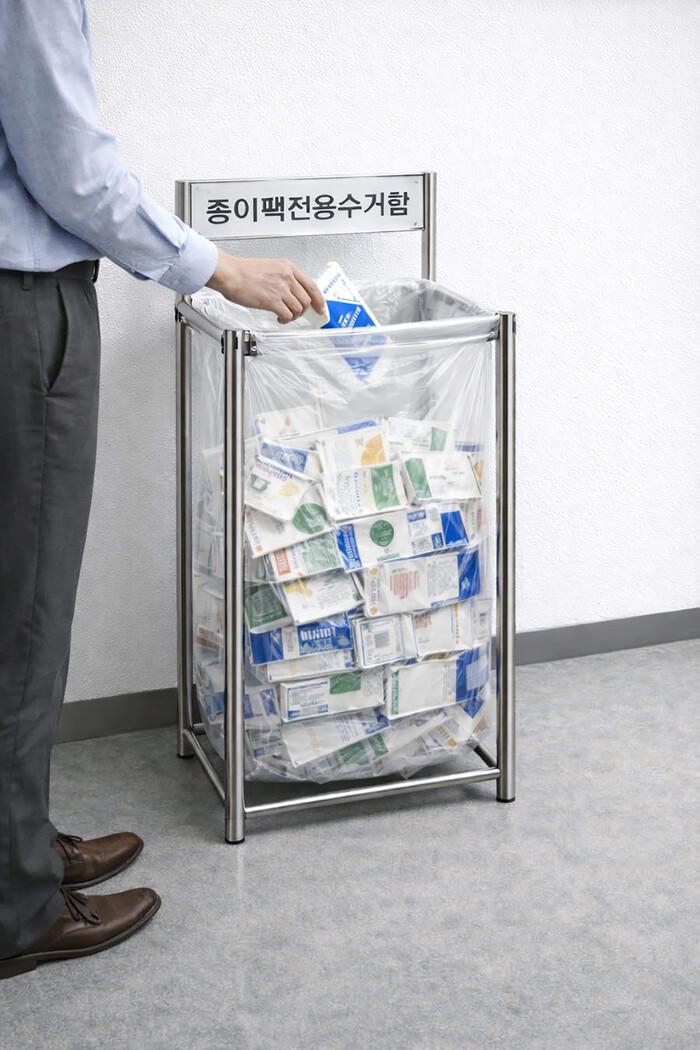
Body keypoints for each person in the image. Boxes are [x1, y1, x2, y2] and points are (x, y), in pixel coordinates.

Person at [0, 1, 324, 981]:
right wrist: (216, 267)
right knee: (24, 616)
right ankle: (15, 905)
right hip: (19, 305)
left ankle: (18, 842)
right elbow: (68, 163)